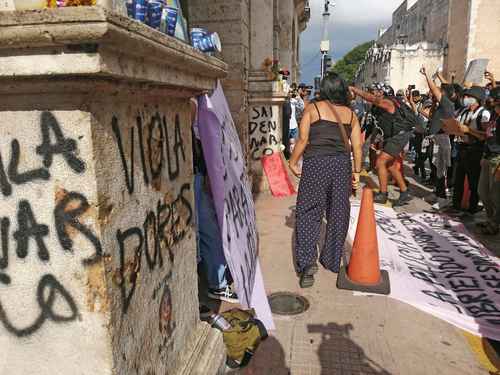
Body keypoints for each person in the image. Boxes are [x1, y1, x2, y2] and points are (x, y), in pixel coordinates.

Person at [288, 72, 362, 288]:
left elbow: (303, 140)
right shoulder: (351, 114)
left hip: (316, 165)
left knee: (309, 213)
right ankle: (331, 259)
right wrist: (356, 172)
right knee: (338, 212)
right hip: (341, 166)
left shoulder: (313, 109)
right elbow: (357, 146)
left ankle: (307, 264)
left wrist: (292, 163)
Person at [191, 98, 239, 303]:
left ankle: (215, 283)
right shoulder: (193, 104)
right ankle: (211, 286)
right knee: (203, 233)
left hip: (196, 173)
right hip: (192, 174)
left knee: (206, 231)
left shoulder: (199, 103)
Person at [349, 83, 414, 206]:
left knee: (380, 163)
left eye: (374, 91)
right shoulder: (379, 106)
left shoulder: (387, 102)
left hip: (400, 135)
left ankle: (383, 194)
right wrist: (376, 141)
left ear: (381, 92)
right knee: (390, 165)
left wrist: (355, 90)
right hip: (393, 136)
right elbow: (380, 125)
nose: (371, 93)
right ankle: (405, 192)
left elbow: (372, 99)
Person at [419, 67, 457, 205]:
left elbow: (433, 88)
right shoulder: (441, 106)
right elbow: (430, 116)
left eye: (439, 92)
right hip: (435, 139)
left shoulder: (447, 103)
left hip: (442, 140)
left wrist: (426, 75)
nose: (435, 93)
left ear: (444, 94)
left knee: (442, 170)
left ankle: (443, 198)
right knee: (435, 168)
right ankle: (437, 193)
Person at [452, 86, 490, 214]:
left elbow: (486, 135)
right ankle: (456, 205)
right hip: (461, 148)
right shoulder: (463, 111)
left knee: (473, 181)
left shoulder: (483, 113)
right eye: (465, 96)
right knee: (458, 179)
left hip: (475, 150)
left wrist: (468, 130)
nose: (465, 99)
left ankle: (472, 207)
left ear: (477, 99)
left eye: (469, 97)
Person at [478, 86, 500, 235]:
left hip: (497, 159)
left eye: (493, 98)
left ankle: (495, 224)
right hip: (487, 156)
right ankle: (490, 218)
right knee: (483, 191)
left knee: (495, 194)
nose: (490, 100)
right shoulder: (494, 116)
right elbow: (488, 137)